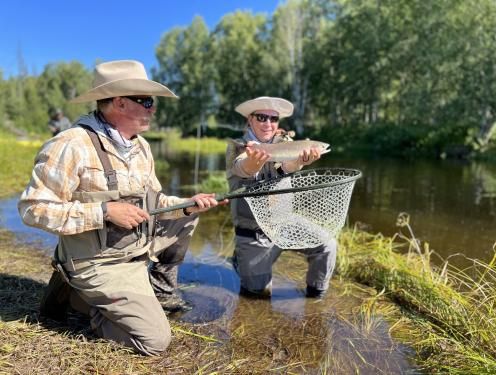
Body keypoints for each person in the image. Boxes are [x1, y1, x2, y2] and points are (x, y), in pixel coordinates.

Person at [18, 60, 226, 356]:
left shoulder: (141, 147)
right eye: (147, 101)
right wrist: (104, 211)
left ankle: (159, 292)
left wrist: (188, 205)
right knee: (155, 342)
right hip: (96, 262)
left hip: (133, 251)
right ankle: (84, 305)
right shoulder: (71, 144)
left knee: (186, 219)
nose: (154, 109)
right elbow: (32, 208)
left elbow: (157, 203)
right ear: (119, 103)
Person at [225, 96, 337, 299]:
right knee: (256, 292)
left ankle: (316, 295)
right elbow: (242, 168)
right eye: (261, 117)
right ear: (249, 119)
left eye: (273, 119)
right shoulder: (240, 147)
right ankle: (240, 259)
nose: (268, 123)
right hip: (254, 234)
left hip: (284, 224)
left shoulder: (286, 144)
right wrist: (254, 163)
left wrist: (298, 163)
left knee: (327, 245)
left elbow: (285, 167)